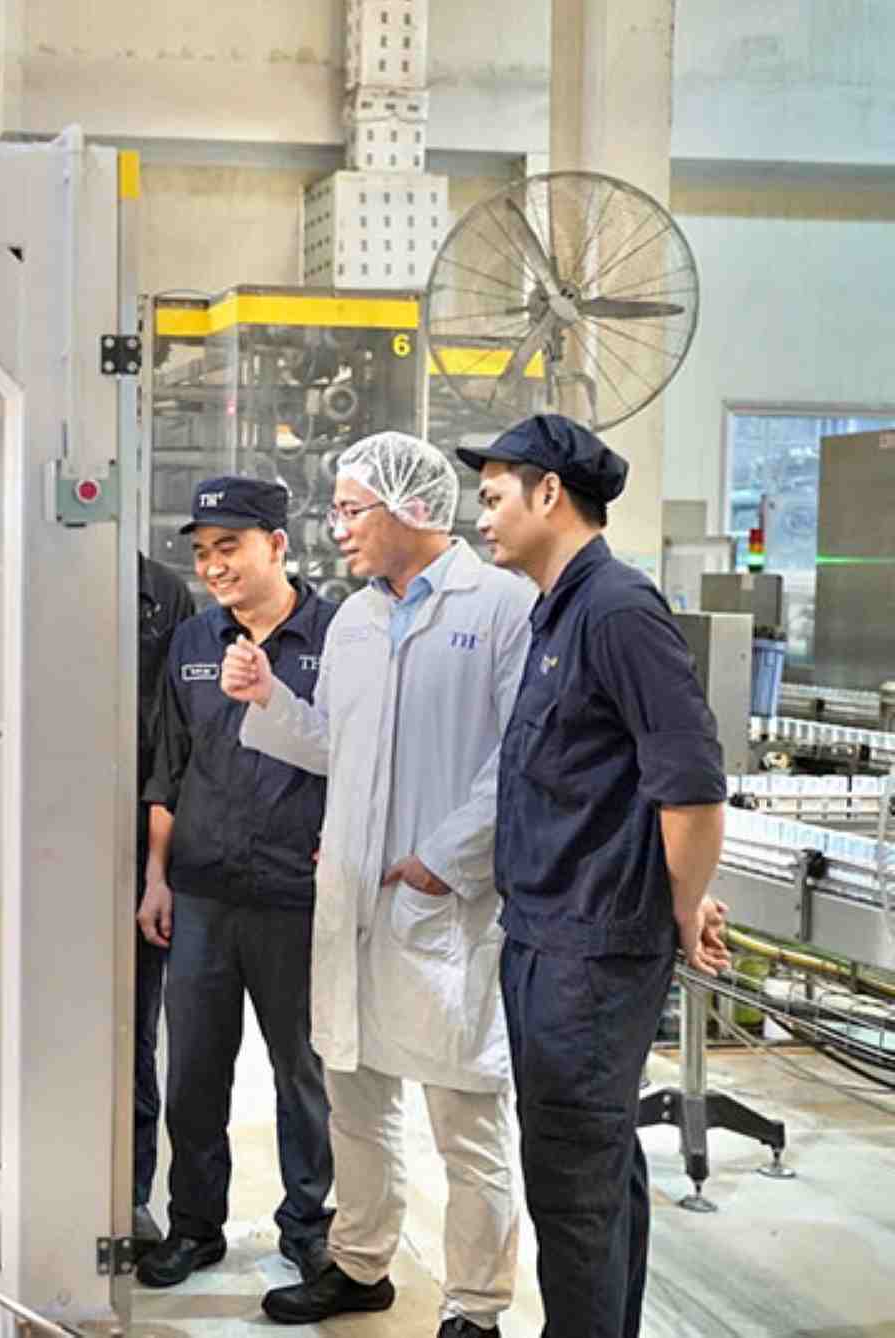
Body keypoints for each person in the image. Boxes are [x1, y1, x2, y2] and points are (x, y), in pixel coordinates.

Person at [224, 433, 532, 1336]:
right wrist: (269, 702)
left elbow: (522, 759)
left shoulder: (504, 607)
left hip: (448, 905)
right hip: (353, 897)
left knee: (467, 1122)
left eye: (352, 509)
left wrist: (447, 857)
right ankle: (360, 1266)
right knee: (356, 1103)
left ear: (414, 510)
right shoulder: (356, 619)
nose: (338, 528)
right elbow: (340, 747)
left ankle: (476, 1306)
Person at [458, 415, 731, 1338]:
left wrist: (681, 909)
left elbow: (691, 787)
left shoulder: (615, 609)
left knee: (572, 1193)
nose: (482, 517)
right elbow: (608, 791)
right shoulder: (558, 611)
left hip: (589, 955)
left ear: (548, 494)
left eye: (494, 497)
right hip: (551, 937)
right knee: (597, 1177)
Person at [136, 475, 338, 1289]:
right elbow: (168, 769)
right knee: (193, 1071)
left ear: (278, 546)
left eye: (230, 548)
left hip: (298, 895)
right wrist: (157, 877)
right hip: (204, 892)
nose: (214, 566)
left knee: (304, 1074)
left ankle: (310, 1229)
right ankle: (194, 1225)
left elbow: (360, 759)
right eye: (203, 553)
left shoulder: (339, 636)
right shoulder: (193, 641)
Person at [133, 550, 197, 1243]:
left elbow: (170, 736)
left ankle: (128, 1193)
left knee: (133, 1029)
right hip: (38, 835)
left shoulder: (161, 592)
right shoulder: (13, 560)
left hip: (136, 835)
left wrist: (158, 868)